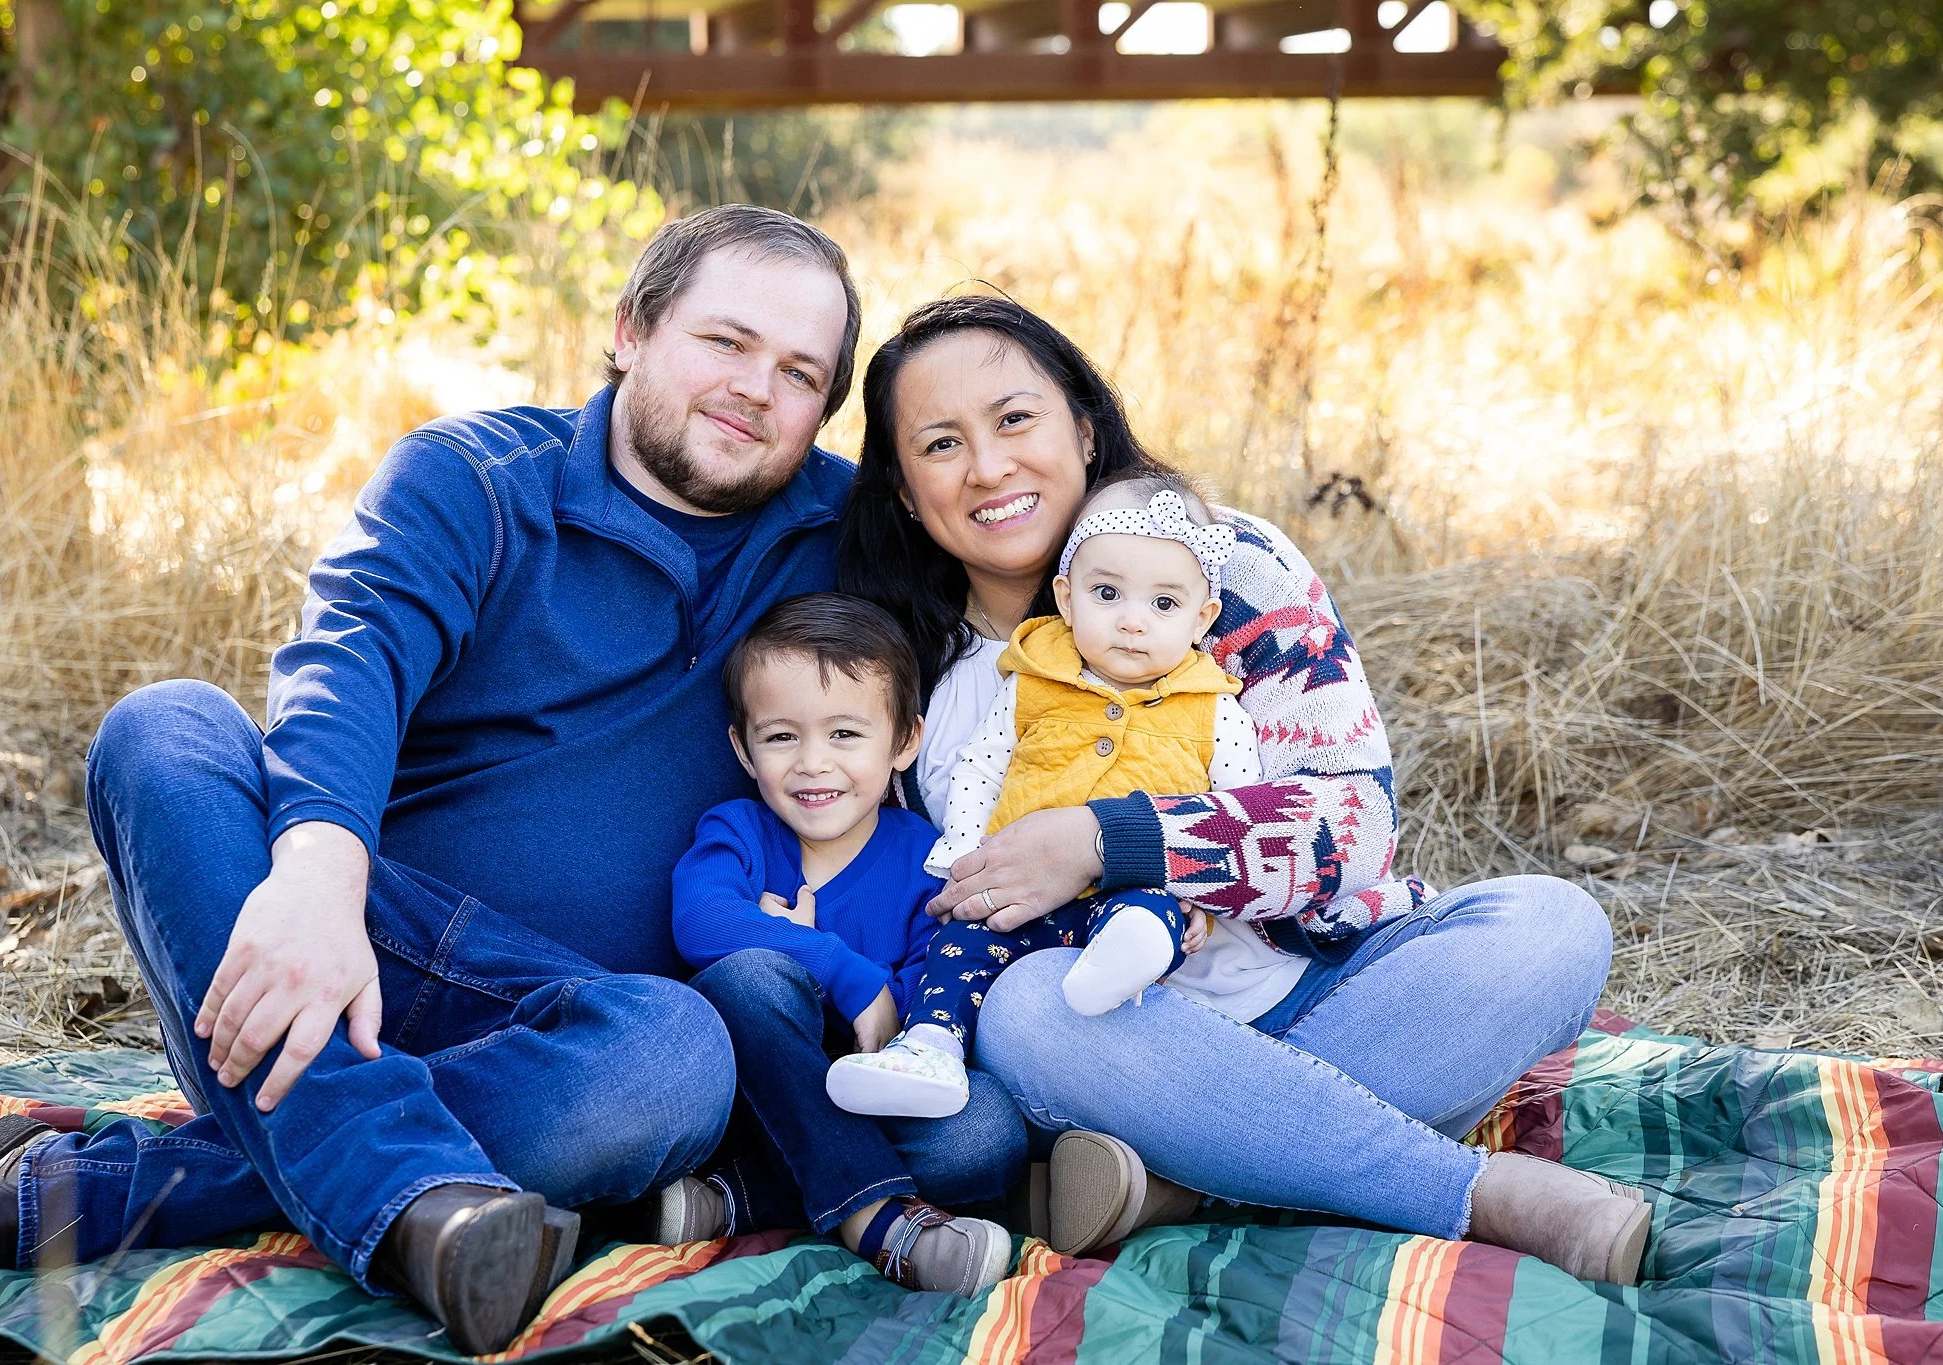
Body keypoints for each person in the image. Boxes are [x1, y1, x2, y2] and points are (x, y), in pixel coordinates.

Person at [0, 205, 922, 1352]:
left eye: (798, 373)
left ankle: (58, 1199)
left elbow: (1066, 572)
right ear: (631, 329)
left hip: (588, 1034)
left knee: (683, 1059)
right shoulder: (476, 480)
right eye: (725, 343)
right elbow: (350, 662)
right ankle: (416, 1198)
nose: (753, 390)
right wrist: (317, 881)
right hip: (345, 963)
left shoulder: (846, 540)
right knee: (165, 728)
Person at [835, 294, 1651, 1285]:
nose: (989, 466)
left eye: (1015, 419)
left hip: (1318, 984)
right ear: (903, 489)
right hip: (1107, 1038)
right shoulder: (907, 668)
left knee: (1554, 925)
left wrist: (1106, 841)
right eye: (939, 443)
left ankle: (1192, 1175)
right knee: (1023, 1009)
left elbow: (1353, 827)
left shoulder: (1231, 568)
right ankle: (1469, 1193)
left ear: (1082, 430)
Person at [826, 472, 1256, 1119]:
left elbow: (1237, 816)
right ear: (1066, 595)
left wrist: (1203, 900)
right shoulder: (1033, 682)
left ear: (1203, 618)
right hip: (1015, 892)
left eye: (1164, 605)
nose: (1133, 622)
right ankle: (931, 1047)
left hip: (1132, 889)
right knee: (958, 945)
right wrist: (964, 853)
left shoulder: (1216, 710)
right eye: (1107, 593)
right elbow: (982, 765)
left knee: (1148, 915)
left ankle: (1118, 965)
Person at [662, 593, 1018, 1297]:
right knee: (748, 978)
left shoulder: (928, 858)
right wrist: (839, 969)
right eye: (781, 736)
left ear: (904, 742)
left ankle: (739, 1197)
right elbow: (701, 921)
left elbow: (935, 995)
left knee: (987, 1132)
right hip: (755, 1096)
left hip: (872, 1095)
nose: (813, 763)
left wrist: (873, 993)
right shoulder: (738, 830)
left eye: (846, 735)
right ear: (743, 746)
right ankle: (878, 1219)